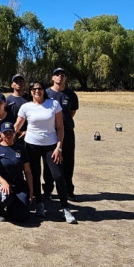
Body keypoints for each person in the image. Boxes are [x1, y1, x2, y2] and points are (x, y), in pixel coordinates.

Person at [14, 81, 75, 224]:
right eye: (34, 89)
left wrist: (59, 147)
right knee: (35, 175)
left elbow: (60, 128)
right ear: (30, 91)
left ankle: (65, 208)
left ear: (43, 90)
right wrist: (3, 138)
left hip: (51, 146)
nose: (37, 91)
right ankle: (40, 204)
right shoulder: (26, 107)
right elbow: (17, 125)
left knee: (58, 176)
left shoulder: (53, 104)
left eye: (40, 88)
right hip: (31, 145)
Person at [46, 67, 79, 201]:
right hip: (50, 133)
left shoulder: (71, 94)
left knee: (68, 162)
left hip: (67, 133)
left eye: (63, 75)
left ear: (65, 78)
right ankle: (48, 190)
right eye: (57, 75)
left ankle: (68, 191)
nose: (60, 77)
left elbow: (72, 112)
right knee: (49, 163)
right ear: (52, 78)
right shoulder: (46, 93)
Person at [0, 122, 34, 223]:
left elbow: (27, 171)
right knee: (3, 197)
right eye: (5, 133)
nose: (8, 136)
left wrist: (31, 190)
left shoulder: (21, 149)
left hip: (18, 183)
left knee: (21, 216)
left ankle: (12, 207)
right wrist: (3, 182)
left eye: (10, 133)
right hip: (0, 183)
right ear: (1, 134)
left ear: (15, 133)